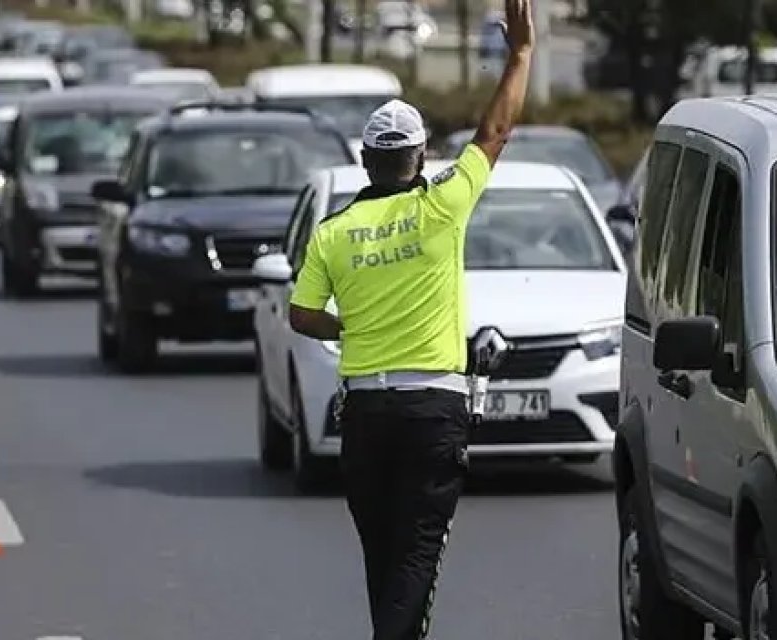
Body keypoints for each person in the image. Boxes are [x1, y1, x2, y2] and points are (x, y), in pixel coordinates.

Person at [285, 0, 534, 637]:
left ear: (366, 161)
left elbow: (301, 314)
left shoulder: (334, 232)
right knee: (416, 556)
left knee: (385, 555)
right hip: (433, 411)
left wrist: (352, 328)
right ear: (419, 159)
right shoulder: (443, 207)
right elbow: (493, 133)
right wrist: (521, 55)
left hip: (366, 414)